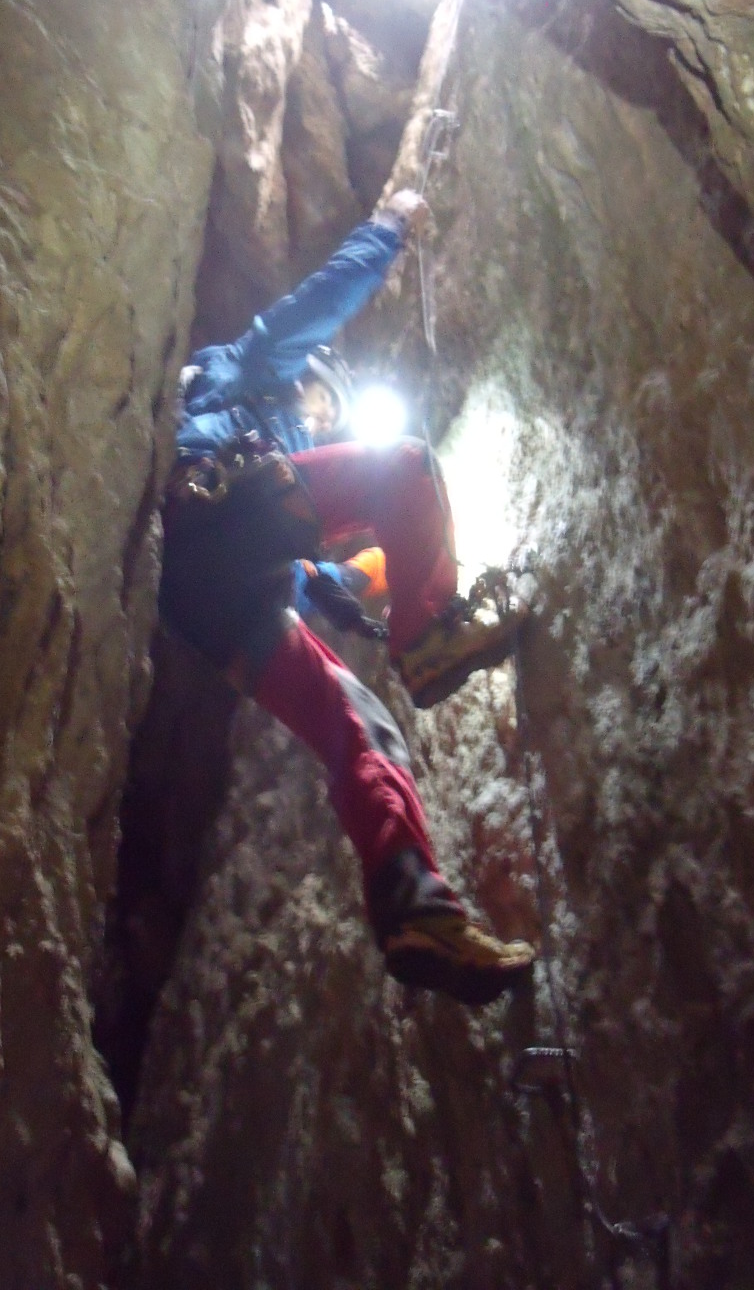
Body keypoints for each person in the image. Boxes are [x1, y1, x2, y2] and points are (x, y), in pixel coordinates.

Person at [159, 190, 535, 1005]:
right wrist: (390, 226)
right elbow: (320, 300)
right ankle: (430, 638)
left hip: (223, 604)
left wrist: (382, 572)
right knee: (400, 464)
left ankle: (416, 909)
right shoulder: (246, 372)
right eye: (321, 404)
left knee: (360, 730)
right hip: (218, 514)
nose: (321, 420)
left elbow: (317, 582)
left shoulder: (280, 468)